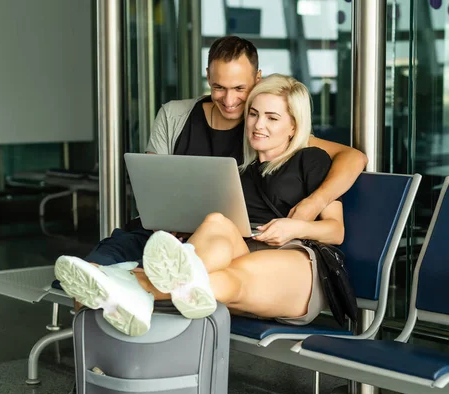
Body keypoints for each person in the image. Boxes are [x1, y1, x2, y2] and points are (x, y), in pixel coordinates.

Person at [55, 74, 345, 335]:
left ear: (293, 125)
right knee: (216, 222)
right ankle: (137, 286)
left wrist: (294, 226)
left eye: (272, 118)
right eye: (254, 114)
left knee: (226, 279)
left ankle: (130, 283)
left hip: (292, 260)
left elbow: (335, 230)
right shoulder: (239, 168)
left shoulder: (312, 159)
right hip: (242, 251)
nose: (258, 125)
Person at [76, 36, 365, 269]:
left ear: (258, 78)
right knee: (94, 270)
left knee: (148, 280)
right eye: (218, 87)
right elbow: (155, 187)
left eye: (240, 88)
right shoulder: (175, 115)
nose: (229, 100)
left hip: (217, 242)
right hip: (161, 233)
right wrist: (165, 222)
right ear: (208, 77)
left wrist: (314, 204)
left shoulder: (262, 126)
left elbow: (353, 157)